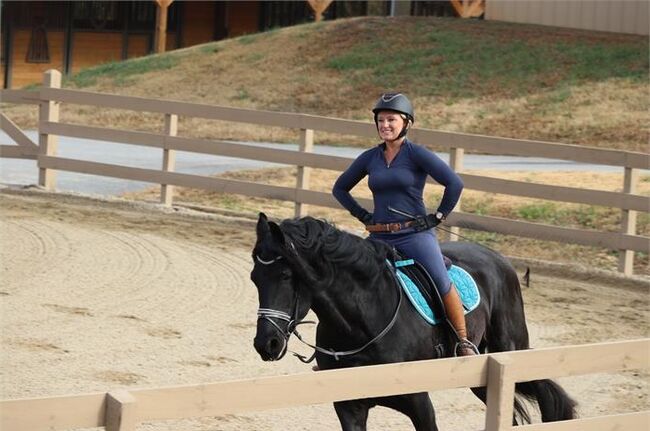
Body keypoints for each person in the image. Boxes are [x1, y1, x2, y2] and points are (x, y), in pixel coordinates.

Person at [332, 92, 477, 356]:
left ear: (406, 122)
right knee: (349, 276)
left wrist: (439, 216)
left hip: (414, 235)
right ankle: (344, 347)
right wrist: (363, 216)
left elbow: (454, 183)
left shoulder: (417, 154)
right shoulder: (370, 158)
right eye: (380, 120)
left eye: (391, 120)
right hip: (379, 238)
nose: (385, 125)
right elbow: (340, 188)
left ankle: (463, 340)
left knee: (439, 278)